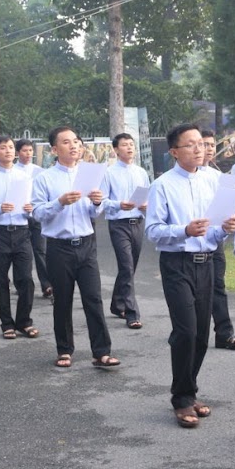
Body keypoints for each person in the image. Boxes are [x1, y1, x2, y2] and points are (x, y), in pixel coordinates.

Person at [145, 123, 235, 428]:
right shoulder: (163, 185)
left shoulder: (214, 181)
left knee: (200, 334)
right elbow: (153, 231)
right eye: (190, 145)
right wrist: (183, 230)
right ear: (174, 152)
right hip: (177, 263)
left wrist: (225, 229)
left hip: (206, 262)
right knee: (185, 331)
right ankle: (181, 398)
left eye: (202, 143)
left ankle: (189, 389)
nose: (199, 149)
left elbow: (218, 228)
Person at [32, 126, 120, 369]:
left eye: (76, 142)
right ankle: (64, 350)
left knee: (93, 298)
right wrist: (59, 202)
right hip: (59, 247)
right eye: (66, 142)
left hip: (86, 244)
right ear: (54, 149)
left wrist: (97, 202)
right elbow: (37, 213)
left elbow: (94, 212)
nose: (73, 146)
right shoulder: (44, 178)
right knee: (63, 300)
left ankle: (101, 352)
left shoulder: (90, 174)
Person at [0, 136, 38, 340]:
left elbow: (33, 205)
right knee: (0, 280)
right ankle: (7, 324)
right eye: (3, 148)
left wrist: (30, 209)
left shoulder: (25, 177)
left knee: (26, 280)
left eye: (11, 147)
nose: (8, 151)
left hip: (22, 232)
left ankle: (24, 321)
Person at [200, 129, 235, 351]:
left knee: (218, 285)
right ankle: (189, 330)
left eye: (211, 145)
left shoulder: (218, 177)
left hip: (215, 239)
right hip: (190, 240)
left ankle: (224, 333)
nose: (208, 149)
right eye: (204, 144)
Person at [99, 133, 149, 329]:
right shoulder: (109, 173)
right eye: (125, 145)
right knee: (126, 266)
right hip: (119, 224)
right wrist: (119, 204)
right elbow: (102, 201)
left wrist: (145, 206)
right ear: (116, 149)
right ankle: (132, 313)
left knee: (130, 267)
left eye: (131, 144)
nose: (129, 148)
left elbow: (147, 196)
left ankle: (117, 304)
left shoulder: (141, 172)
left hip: (138, 222)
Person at [16, 139, 51, 300]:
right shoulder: (13, 171)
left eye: (30, 150)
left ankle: (46, 284)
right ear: (18, 153)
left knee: (40, 250)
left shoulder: (40, 172)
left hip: (36, 216)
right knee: (21, 253)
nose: (28, 153)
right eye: (24, 150)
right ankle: (22, 284)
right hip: (19, 216)